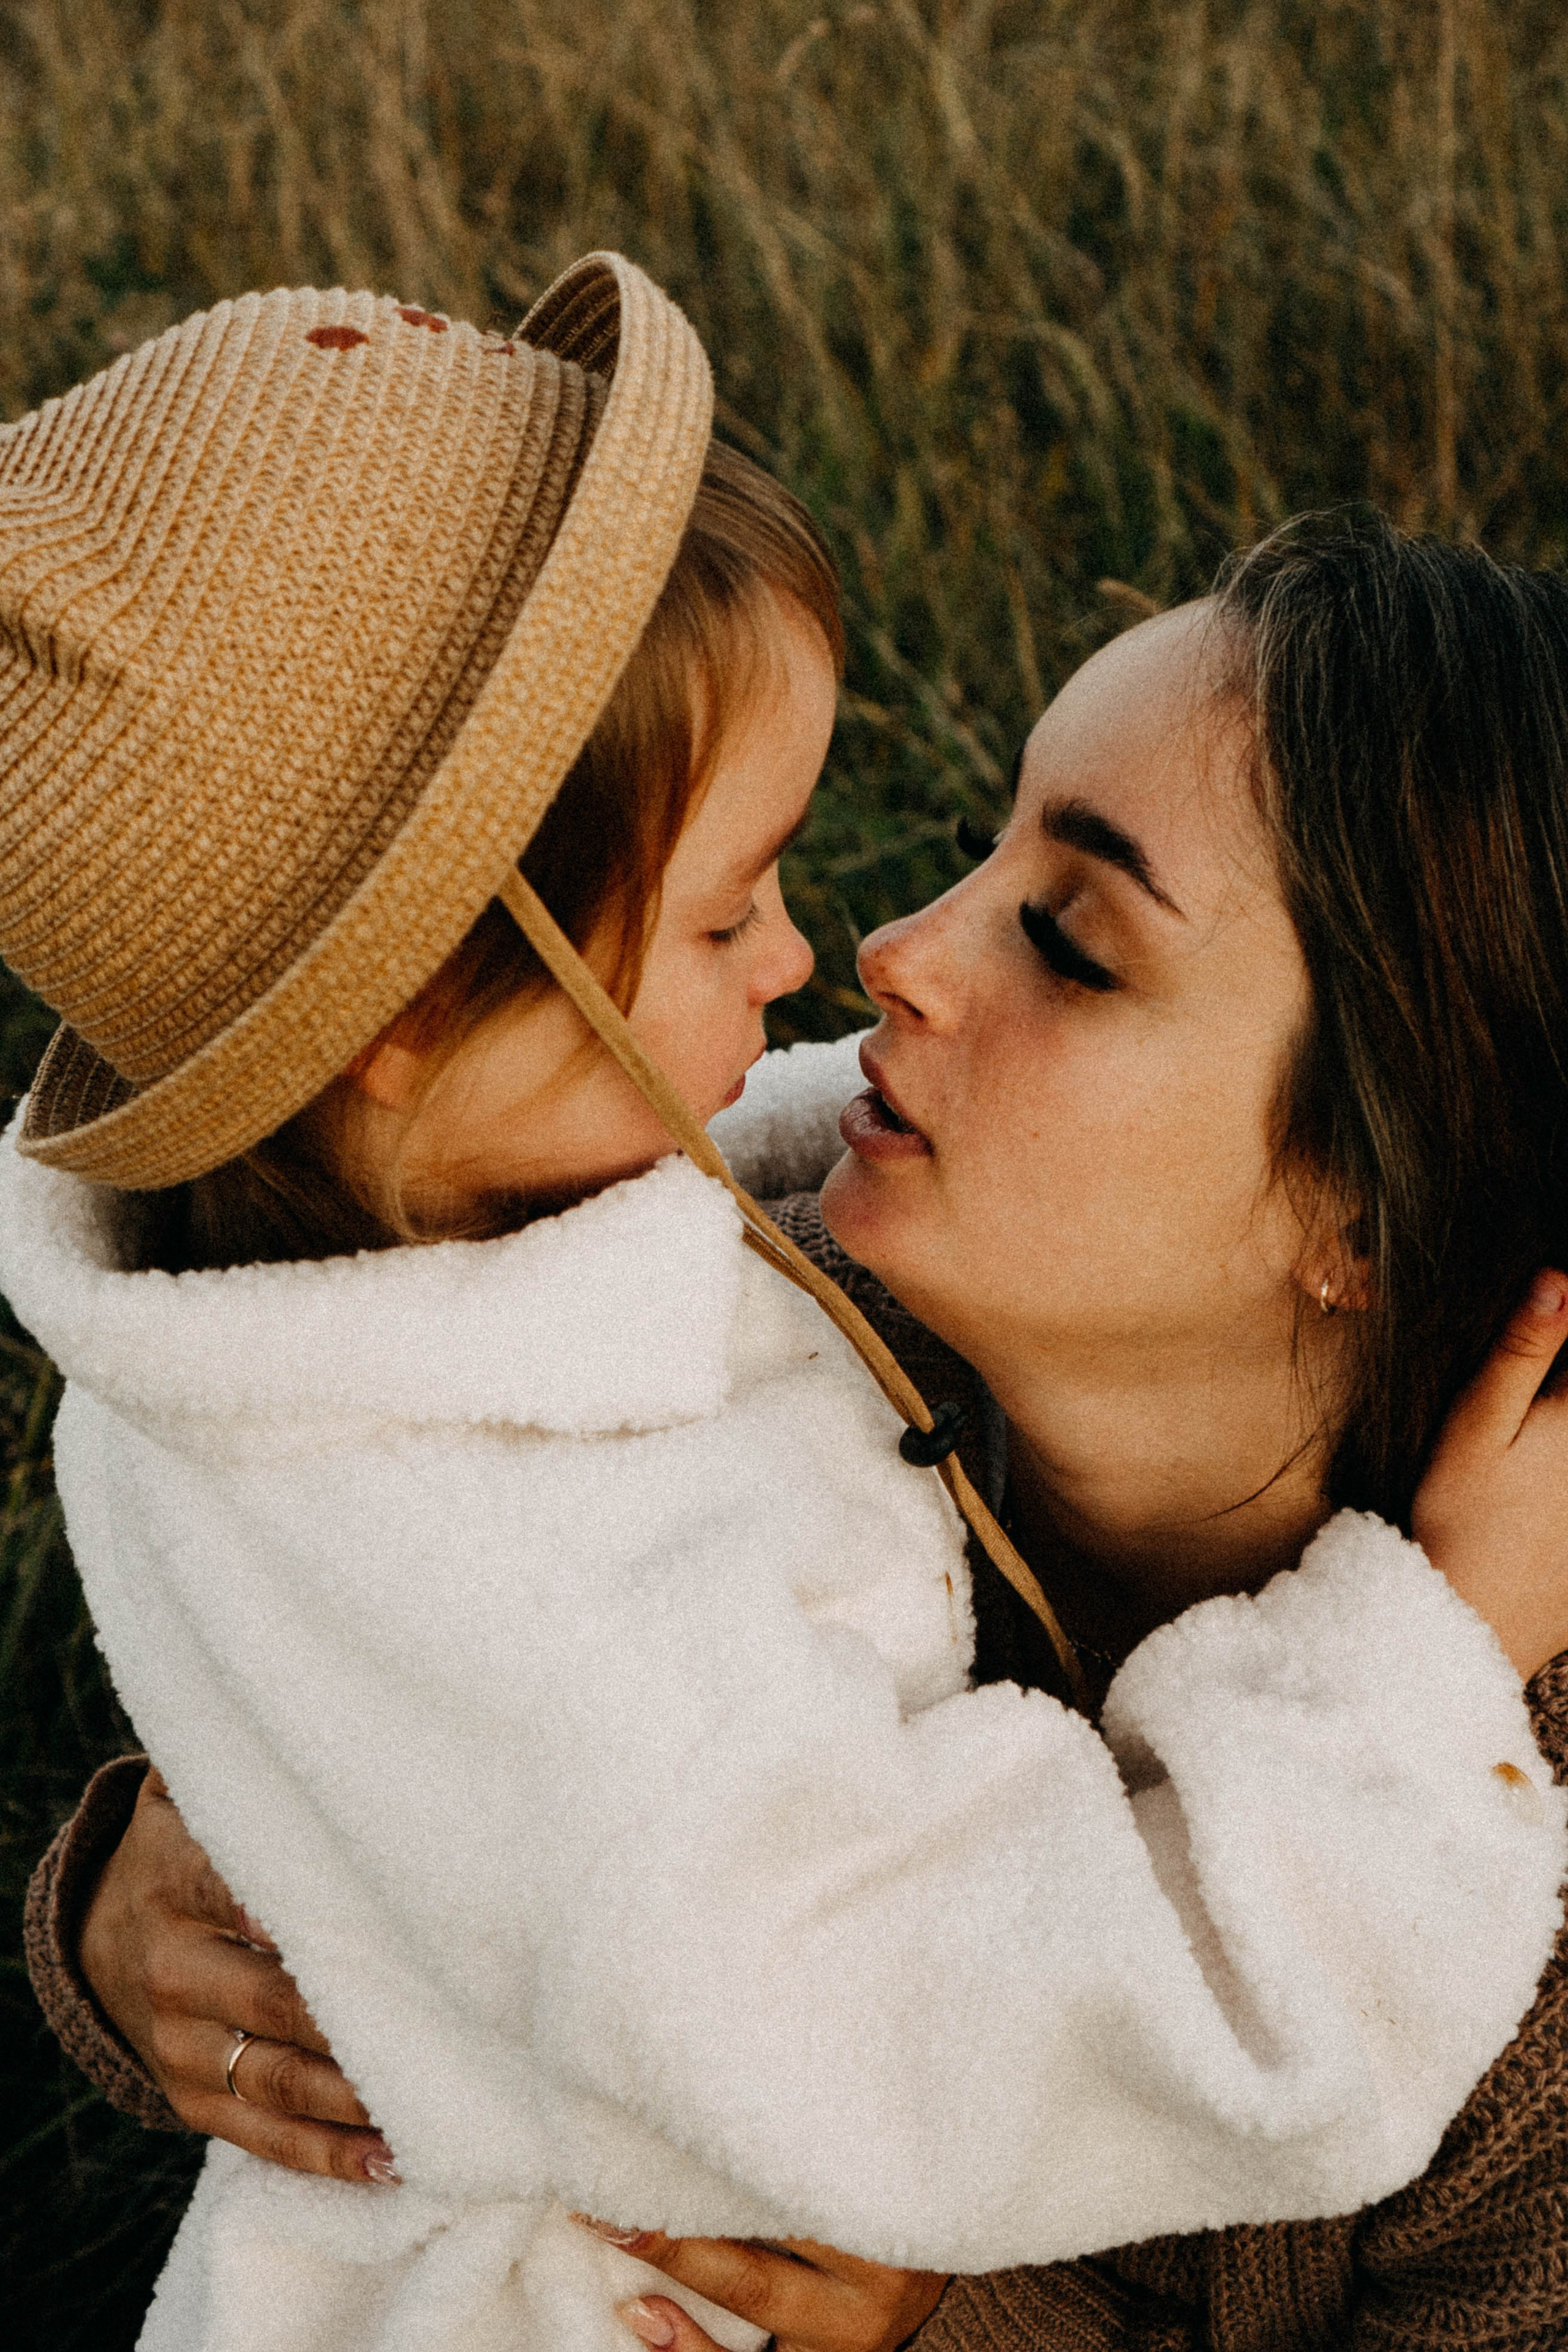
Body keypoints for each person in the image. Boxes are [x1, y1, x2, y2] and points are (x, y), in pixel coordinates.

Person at [6, 266, 1566, 2350]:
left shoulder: (1507, 1866)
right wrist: (155, 1911)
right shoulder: (720, 1310)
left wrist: (962, 2329)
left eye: (1073, 942)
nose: (889, 949)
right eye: (984, 848)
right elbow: (417, 1661)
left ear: (1363, 1201)